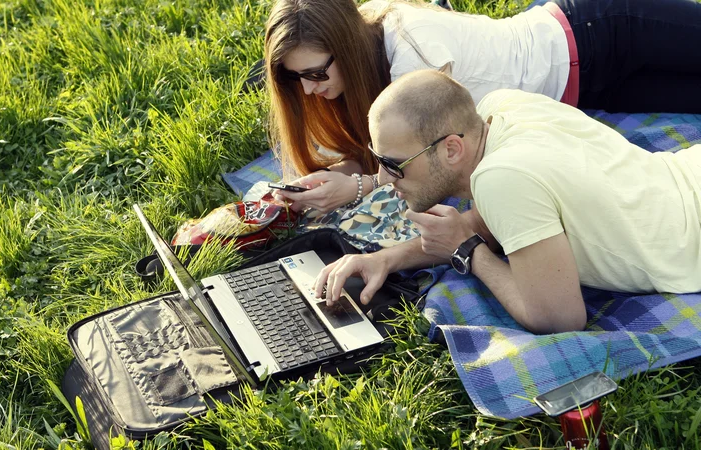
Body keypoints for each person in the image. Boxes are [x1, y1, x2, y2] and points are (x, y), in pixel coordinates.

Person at [314, 69, 701, 334]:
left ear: (452, 149)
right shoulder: (501, 108)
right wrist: (385, 258)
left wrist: (470, 254)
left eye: (394, 164)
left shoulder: (502, 180)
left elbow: (560, 317)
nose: (382, 179)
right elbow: (484, 224)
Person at [265, 0, 701, 213]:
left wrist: (358, 187)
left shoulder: (412, 51)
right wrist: (337, 175)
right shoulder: (360, 68)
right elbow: (387, 159)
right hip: (587, 90)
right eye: (295, 77)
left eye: (317, 73)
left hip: (600, 31)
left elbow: (428, 163)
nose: (308, 91)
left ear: (346, 46)